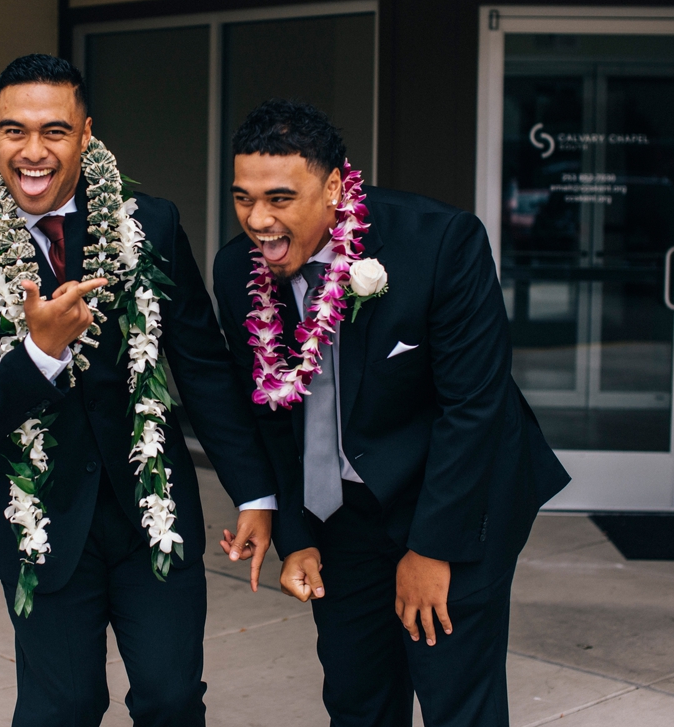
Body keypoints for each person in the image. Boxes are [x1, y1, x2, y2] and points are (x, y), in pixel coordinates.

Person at [0, 54, 277, 727]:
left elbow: (203, 367)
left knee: (172, 700)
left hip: (153, 511)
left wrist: (254, 493)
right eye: (14, 130)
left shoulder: (151, 225)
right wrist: (40, 351)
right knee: (63, 708)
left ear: (86, 135)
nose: (33, 151)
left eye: (54, 131)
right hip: (42, 525)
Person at [212, 99, 571, 727]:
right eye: (243, 198)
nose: (258, 220)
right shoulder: (237, 269)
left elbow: (474, 408)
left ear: (332, 187)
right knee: (358, 700)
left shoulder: (440, 242)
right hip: (341, 516)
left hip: (453, 497)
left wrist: (432, 550)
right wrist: (298, 536)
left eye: (279, 199)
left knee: (457, 702)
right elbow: (269, 412)